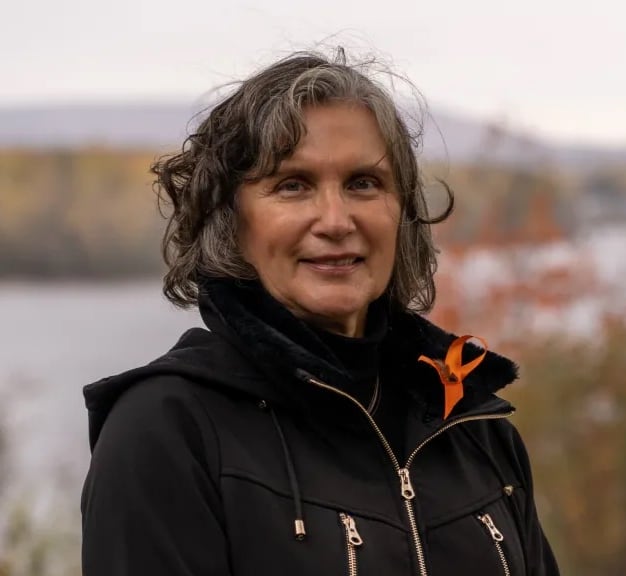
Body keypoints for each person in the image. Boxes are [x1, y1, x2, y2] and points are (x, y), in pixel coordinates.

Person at [79, 49, 560, 575]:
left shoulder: (468, 421)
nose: (335, 220)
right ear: (230, 221)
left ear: (402, 213)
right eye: (293, 185)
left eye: (363, 183)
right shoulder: (167, 432)